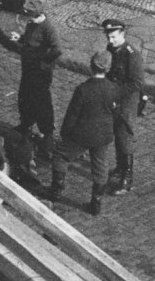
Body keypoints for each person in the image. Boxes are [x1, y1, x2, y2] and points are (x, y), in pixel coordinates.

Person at [48, 51, 120, 216]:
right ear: (108, 69)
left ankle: (56, 191)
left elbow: (72, 115)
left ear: (91, 66)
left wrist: (65, 134)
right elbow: (116, 113)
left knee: (61, 156)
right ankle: (96, 203)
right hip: (103, 136)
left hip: (81, 135)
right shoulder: (114, 89)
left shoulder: (83, 89)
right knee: (101, 167)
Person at [8, 0, 61, 160]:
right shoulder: (32, 24)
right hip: (28, 68)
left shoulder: (48, 28)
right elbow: (29, 39)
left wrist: (41, 60)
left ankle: (47, 138)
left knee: (42, 103)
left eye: (29, 15)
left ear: (37, 14)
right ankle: (26, 125)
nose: (26, 19)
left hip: (40, 72)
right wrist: (20, 39)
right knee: (25, 97)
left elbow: (57, 50)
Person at [102, 18, 145, 196]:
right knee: (117, 136)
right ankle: (120, 168)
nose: (110, 40)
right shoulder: (112, 49)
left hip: (127, 102)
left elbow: (136, 83)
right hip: (115, 99)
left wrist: (115, 92)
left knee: (124, 137)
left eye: (113, 37)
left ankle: (127, 178)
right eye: (108, 37)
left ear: (123, 34)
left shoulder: (131, 54)